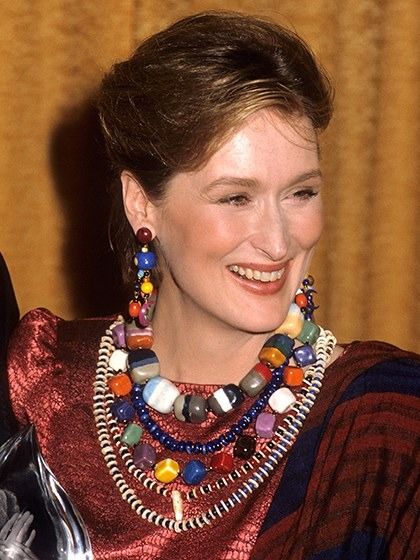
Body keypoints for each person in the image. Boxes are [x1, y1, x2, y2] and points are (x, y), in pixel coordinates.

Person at [6, 11, 419, 560]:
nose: (277, 242)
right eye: (235, 198)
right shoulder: (40, 383)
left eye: (301, 193)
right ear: (141, 203)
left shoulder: (385, 426)